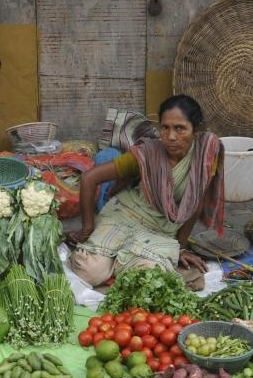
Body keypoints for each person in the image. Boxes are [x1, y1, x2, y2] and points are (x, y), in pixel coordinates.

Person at [67, 95, 225, 290]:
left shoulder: (205, 156)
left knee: (149, 279)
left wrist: (180, 247)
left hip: (161, 228)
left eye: (180, 128)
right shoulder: (146, 153)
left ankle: (119, 263)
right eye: (165, 127)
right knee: (88, 271)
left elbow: (195, 201)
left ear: (196, 130)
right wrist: (87, 228)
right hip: (125, 214)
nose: (171, 136)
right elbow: (89, 178)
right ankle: (115, 262)